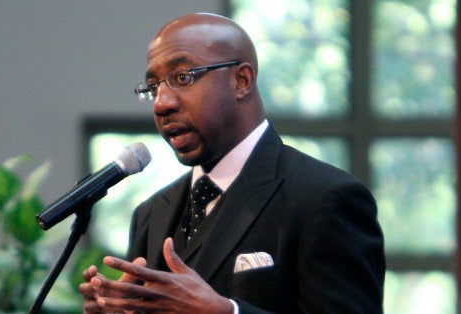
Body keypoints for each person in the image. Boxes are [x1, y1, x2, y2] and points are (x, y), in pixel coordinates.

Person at [79, 12, 385, 313]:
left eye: (183, 77)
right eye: (154, 87)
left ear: (242, 80)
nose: (162, 103)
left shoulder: (325, 197)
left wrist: (229, 312)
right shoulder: (151, 214)